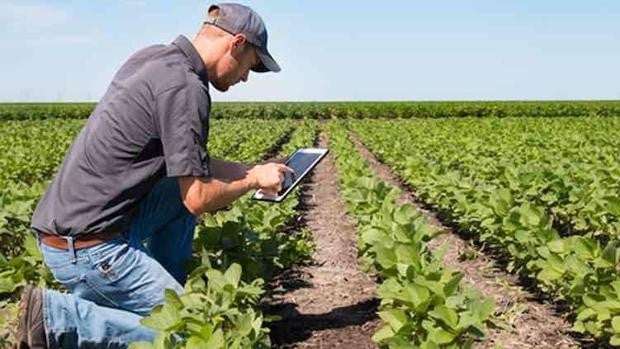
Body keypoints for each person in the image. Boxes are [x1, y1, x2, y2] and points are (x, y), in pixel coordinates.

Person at [14, 3, 291, 348]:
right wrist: (251, 182)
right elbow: (199, 198)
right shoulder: (187, 89)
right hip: (89, 250)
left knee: (175, 192)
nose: (246, 77)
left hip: (74, 227)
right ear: (236, 43)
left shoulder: (155, 59)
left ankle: (161, 291)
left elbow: (191, 168)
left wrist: (252, 169)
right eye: (251, 65)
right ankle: (58, 318)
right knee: (195, 331)